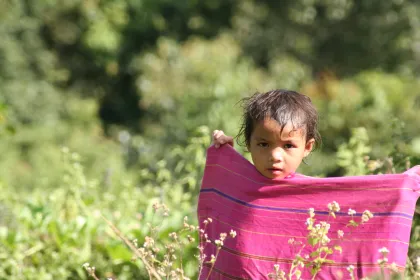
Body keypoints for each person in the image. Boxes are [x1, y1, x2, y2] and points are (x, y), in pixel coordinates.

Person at [212, 89, 321, 179]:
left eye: (288, 146)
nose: (275, 156)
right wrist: (224, 155)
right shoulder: (239, 183)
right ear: (248, 142)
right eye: (264, 144)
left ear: (307, 147)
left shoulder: (313, 195)